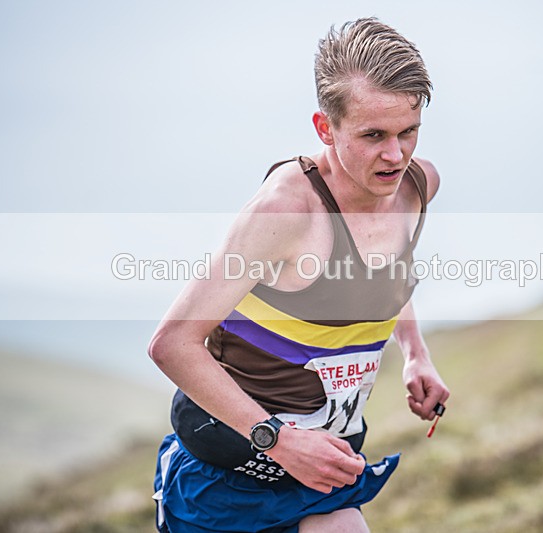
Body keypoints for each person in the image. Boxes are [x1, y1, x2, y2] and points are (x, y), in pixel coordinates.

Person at [148, 17, 450, 533]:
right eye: (373, 135)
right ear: (325, 128)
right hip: (222, 477)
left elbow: (384, 274)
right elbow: (171, 344)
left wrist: (415, 354)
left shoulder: (415, 188)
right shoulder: (286, 211)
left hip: (320, 472)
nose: (395, 155)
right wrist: (280, 441)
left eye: (408, 131)